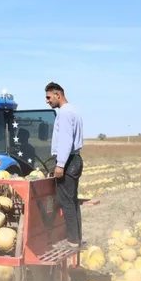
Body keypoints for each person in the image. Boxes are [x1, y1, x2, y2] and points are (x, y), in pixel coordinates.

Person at [45, 81, 84, 248]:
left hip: (68, 161)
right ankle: (76, 238)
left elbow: (66, 140)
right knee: (72, 201)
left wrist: (60, 164)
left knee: (66, 202)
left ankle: (72, 241)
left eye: (48, 97)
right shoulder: (73, 110)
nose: (47, 101)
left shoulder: (65, 113)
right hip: (74, 159)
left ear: (58, 95)